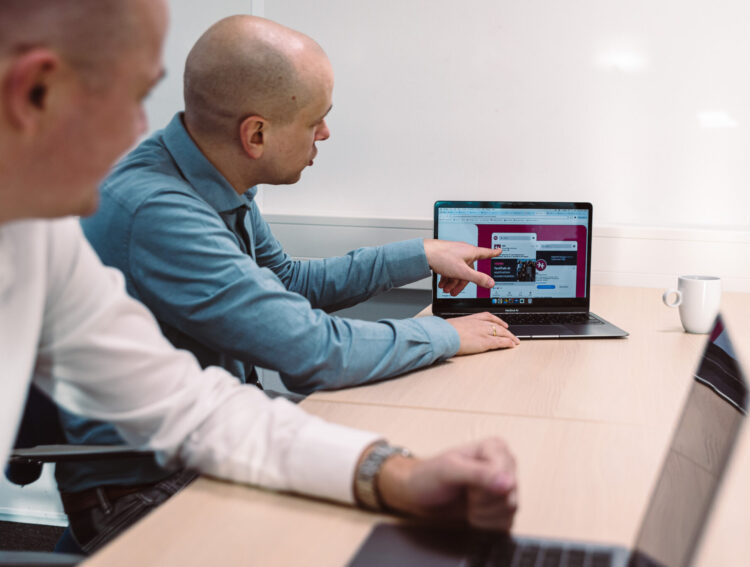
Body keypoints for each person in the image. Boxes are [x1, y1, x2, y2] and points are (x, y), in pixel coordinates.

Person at [0, 0, 517, 556]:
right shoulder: (152, 208)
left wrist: (391, 473)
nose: (137, 129)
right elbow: (310, 350)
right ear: (35, 92)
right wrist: (444, 335)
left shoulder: (48, 238)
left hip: (189, 450)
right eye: (131, 99)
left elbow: (200, 399)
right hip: (143, 489)